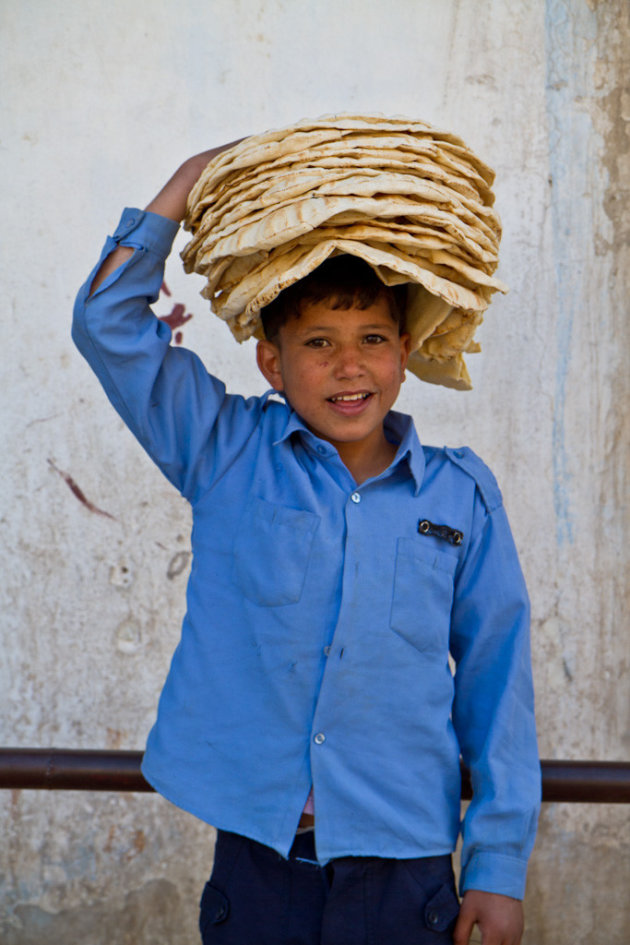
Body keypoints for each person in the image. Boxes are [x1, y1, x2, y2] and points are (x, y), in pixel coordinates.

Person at [72, 146, 541, 945]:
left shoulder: (460, 496)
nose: (349, 365)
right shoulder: (224, 450)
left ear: (404, 355)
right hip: (260, 863)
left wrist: (496, 866)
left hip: (408, 868)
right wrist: (188, 184)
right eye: (318, 341)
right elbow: (106, 323)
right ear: (272, 362)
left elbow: (498, 684)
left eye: (373, 338)